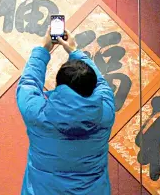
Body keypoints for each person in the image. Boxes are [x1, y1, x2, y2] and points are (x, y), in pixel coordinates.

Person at [16, 27, 115, 195]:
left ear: (59, 85)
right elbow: (102, 85)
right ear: (91, 87)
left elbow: (29, 83)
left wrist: (43, 49)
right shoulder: (105, 113)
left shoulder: (37, 113)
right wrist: (74, 50)